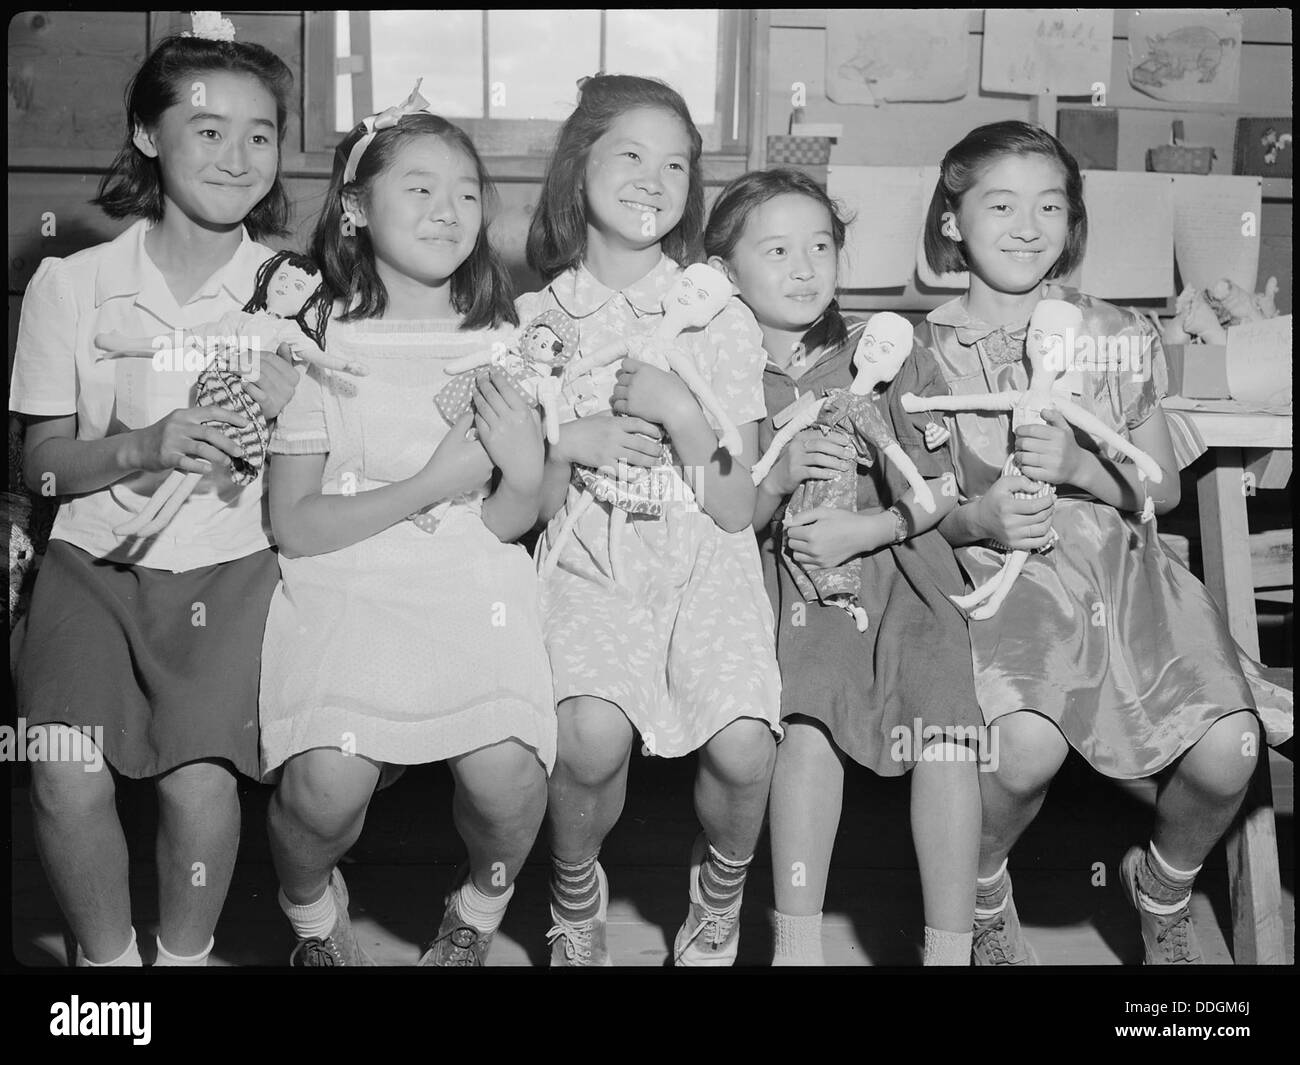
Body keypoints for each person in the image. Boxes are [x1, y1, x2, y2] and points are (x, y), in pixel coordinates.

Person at [917, 120, 1293, 964]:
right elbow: (914, 508)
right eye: (1001, 203)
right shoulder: (922, 351)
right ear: (952, 220)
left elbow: (1157, 484)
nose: (1027, 225)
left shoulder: (1120, 333)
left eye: (1050, 205)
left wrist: (1087, 466)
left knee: (1230, 747)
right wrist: (979, 516)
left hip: (1127, 580)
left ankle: (1163, 884)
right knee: (1022, 747)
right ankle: (978, 885)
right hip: (1002, 580)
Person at [10, 24, 302, 967]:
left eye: (261, 134)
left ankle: (177, 964)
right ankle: (108, 975)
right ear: (146, 135)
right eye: (208, 128)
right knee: (62, 770)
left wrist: (289, 425)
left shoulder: (297, 293)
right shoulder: (74, 283)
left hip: (233, 561)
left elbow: (331, 466)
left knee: (198, 786)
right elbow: (43, 469)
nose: (237, 155)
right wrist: (142, 444)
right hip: (92, 560)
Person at [260, 89, 554, 967]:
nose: (449, 210)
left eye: (467, 192)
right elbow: (298, 526)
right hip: (344, 571)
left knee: (507, 776)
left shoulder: (505, 339)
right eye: (418, 188)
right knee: (325, 782)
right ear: (355, 206)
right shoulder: (315, 340)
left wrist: (526, 470)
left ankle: (476, 907)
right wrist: (431, 481)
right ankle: (312, 913)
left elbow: (504, 521)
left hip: (470, 578)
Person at [523, 74, 781, 966]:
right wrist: (567, 441)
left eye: (675, 162)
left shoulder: (719, 313)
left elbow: (737, 500)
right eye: (629, 154)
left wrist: (680, 410)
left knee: (747, 745)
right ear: (578, 168)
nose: (653, 177)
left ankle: (720, 893)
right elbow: (530, 506)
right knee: (588, 735)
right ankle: (574, 888)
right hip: (591, 554)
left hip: (706, 554)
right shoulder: (538, 321)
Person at [707, 167, 981, 965]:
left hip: (905, 571)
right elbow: (731, 519)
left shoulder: (887, 351)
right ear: (726, 273)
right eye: (779, 249)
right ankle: (797, 947)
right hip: (792, 581)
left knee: (947, 731)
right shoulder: (724, 374)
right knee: (808, 724)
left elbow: (942, 490)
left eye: (821, 246)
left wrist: (869, 525)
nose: (805, 267)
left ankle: (950, 951)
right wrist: (784, 475)